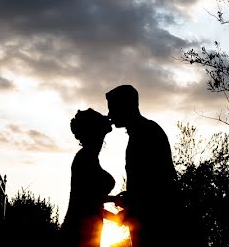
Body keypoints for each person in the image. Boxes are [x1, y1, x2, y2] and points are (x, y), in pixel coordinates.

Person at [105, 85, 176, 247]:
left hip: (155, 224)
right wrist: (128, 197)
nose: (110, 115)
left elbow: (158, 181)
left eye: (113, 109)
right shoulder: (144, 132)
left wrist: (135, 205)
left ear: (125, 106)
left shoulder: (147, 133)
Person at [60, 108, 116, 247]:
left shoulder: (88, 157)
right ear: (94, 131)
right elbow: (87, 202)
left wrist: (113, 205)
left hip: (86, 232)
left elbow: (91, 202)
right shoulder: (85, 158)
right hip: (78, 234)